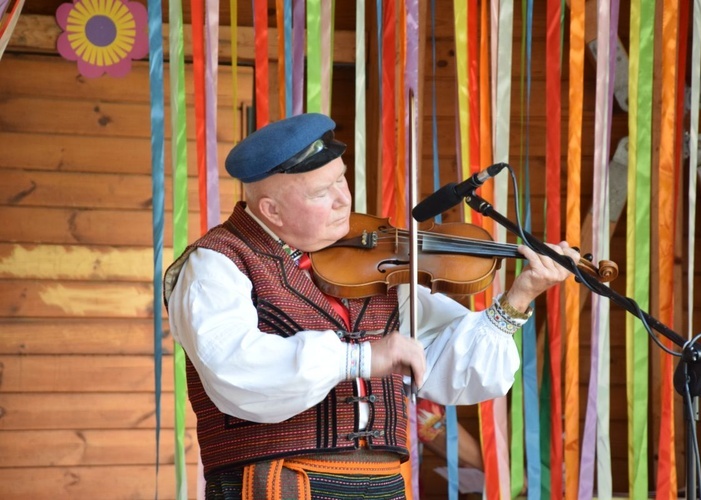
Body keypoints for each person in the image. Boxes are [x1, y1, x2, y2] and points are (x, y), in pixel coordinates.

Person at [163, 113, 579, 499]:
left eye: (341, 181)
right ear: (271, 210)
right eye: (321, 192)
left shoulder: (377, 261)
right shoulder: (216, 264)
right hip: (278, 483)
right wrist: (362, 358)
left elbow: (450, 370)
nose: (343, 200)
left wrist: (518, 297)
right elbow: (237, 369)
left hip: (382, 485)